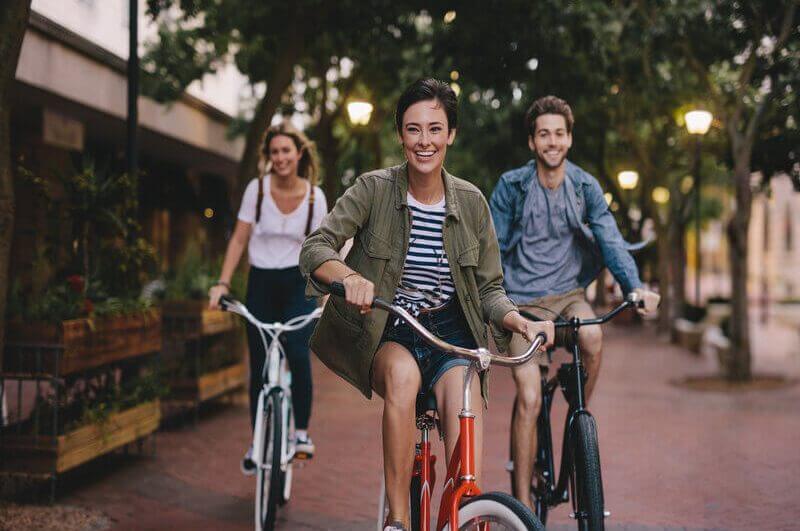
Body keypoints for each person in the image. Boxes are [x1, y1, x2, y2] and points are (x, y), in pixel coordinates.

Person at [299, 78, 554, 531]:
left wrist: (520, 321)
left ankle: (465, 513)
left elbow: (491, 289)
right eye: (413, 129)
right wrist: (350, 277)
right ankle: (397, 519)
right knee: (402, 376)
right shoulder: (373, 189)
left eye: (435, 129)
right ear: (400, 134)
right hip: (392, 328)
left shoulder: (472, 203)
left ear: (451, 134)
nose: (424, 141)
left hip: (452, 333)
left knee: (463, 416)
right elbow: (316, 248)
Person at [489, 95, 660, 509]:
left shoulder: (584, 187)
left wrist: (634, 287)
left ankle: (575, 418)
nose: (553, 141)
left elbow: (611, 241)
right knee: (529, 397)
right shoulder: (512, 187)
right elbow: (489, 249)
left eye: (560, 134)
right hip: (522, 305)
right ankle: (522, 510)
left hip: (568, 297)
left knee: (595, 337)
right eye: (544, 134)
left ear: (569, 139)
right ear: (532, 142)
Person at [209, 121, 328, 473]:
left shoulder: (314, 197)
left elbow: (321, 249)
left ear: (299, 153)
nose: (280, 158)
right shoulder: (256, 190)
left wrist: (326, 294)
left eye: (286, 151)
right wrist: (222, 283)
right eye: (274, 152)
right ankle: (257, 440)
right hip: (260, 283)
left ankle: (301, 434)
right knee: (259, 366)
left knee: (297, 351)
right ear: (269, 156)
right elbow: (239, 240)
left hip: (297, 283)